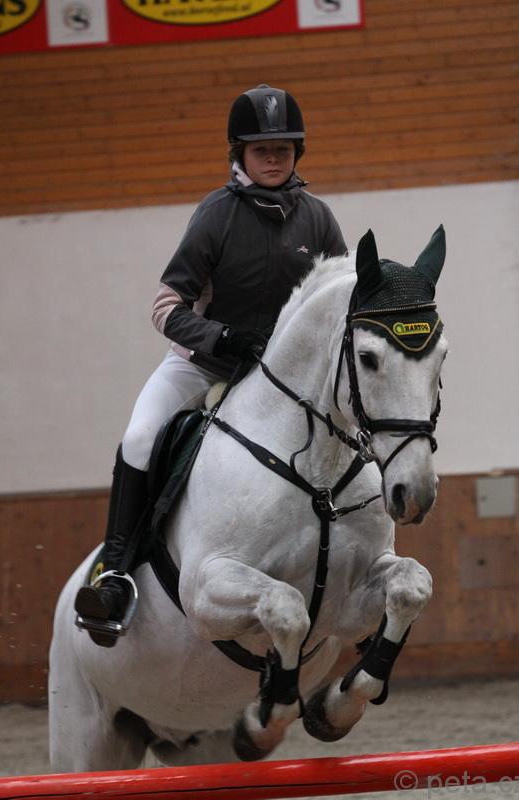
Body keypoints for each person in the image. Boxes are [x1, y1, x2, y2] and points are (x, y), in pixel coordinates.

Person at [74, 83, 347, 646]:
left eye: (283, 150)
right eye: (261, 150)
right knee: (141, 437)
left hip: (283, 382)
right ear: (239, 154)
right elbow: (165, 307)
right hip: (203, 366)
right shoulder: (216, 214)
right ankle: (116, 573)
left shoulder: (318, 218)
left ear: (297, 152)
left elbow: (340, 298)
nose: (273, 160)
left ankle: (357, 569)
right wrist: (223, 337)